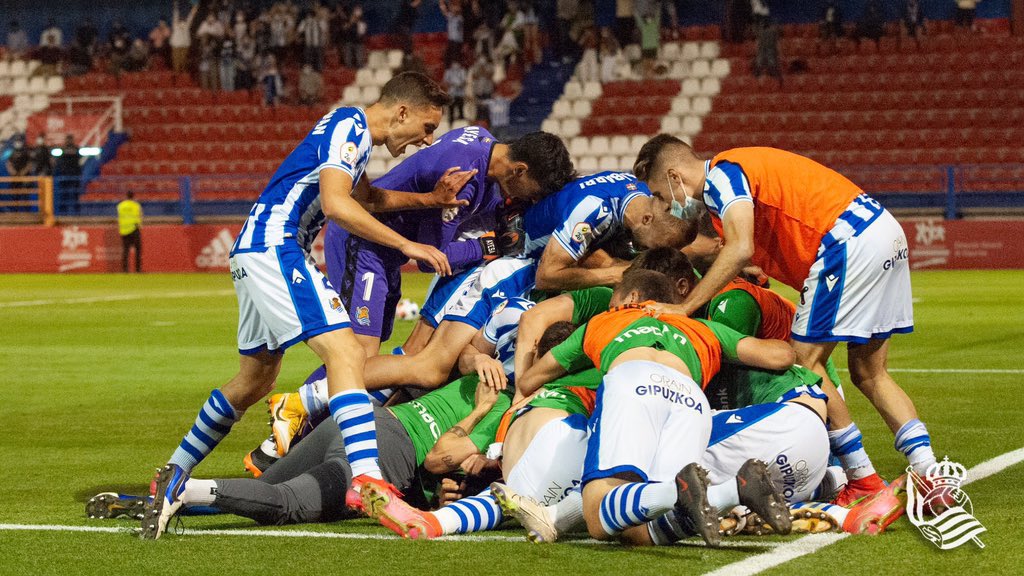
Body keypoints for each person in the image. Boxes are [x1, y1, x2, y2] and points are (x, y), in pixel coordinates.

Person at [140, 72, 471, 540]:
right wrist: (408, 245)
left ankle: (170, 475)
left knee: (253, 381)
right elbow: (337, 206)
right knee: (347, 354)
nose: (426, 139)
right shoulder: (349, 125)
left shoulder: (348, 139)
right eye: (426, 126)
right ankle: (367, 480)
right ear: (401, 112)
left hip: (252, 251)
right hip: (277, 247)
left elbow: (368, 198)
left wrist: (430, 199)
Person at [632, 134, 937, 506]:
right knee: (869, 373)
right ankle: (930, 473)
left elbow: (740, 247)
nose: (666, 205)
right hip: (881, 231)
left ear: (674, 177)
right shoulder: (732, 182)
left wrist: (684, 307)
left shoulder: (724, 176)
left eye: (661, 196)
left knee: (805, 363)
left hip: (845, 240)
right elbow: (751, 245)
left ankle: (862, 478)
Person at [514, 270, 796, 545]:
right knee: (642, 528)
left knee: (597, 516)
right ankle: (736, 489)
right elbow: (781, 355)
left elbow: (530, 380)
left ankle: (685, 491)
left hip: (634, 382)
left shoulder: (605, 320)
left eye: (615, 299)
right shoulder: (702, 327)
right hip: (691, 400)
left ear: (631, 296)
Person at [54, 135, 82, 215]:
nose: (69, 141)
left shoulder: (76, 149)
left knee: (75, 195)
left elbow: (79, 160)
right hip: (64, 175)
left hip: (74, 175)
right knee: (64, 194)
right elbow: (58, 162)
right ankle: (63, 211)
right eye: (68, 139)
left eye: (70, 139)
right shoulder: (62, 149)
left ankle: (76, 212)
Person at [117, 191, 143, 273]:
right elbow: (139, 216)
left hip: (124, 230)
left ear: (126, 196)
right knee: (138, 250)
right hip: (134, 229)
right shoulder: (136, 205)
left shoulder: (120, 206)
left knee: (125, 251)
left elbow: (120, 216)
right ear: (133, 196)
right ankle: (138, 270)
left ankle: (125, 270)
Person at [170, 1, 198, 73]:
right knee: (176, 62)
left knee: (183, 61)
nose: (181, 18)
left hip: (185, 44)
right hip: (176, 45)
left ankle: (184, 75)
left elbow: (191, 16)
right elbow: (175, 14)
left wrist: (194, 8)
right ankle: (177, 76)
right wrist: (175, 5)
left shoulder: (187, 24)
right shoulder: (175, 24)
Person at [443, 59, 468, 124]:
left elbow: (465, 82)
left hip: (460, 94)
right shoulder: (448, 72)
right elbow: (445, 83)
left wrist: (460, 85)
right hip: (451, 93)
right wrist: (452, 84)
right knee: (451, 112)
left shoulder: (462, 71)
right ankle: (450, 126)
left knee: (461, 111)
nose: (455, 65)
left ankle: (462, 126)